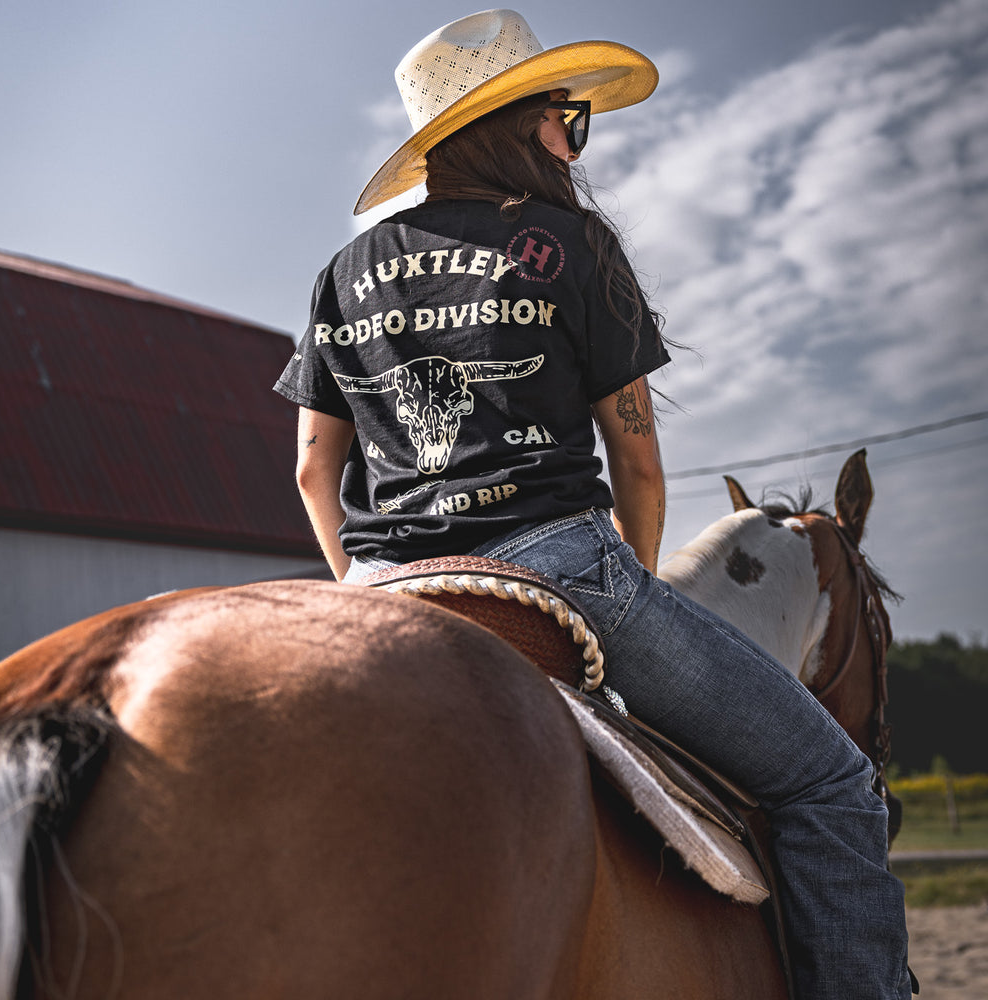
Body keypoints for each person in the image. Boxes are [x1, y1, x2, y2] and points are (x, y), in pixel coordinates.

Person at [274, 10, 912, 998]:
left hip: (382, 590)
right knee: (833, 785)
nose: (575, 141)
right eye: (568, 119)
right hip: (558, 573)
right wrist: (630, 595)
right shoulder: (571, 243)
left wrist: (364, 590)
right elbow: (639, 468)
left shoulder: (341, 274)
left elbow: (316, 474)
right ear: (519, 123)